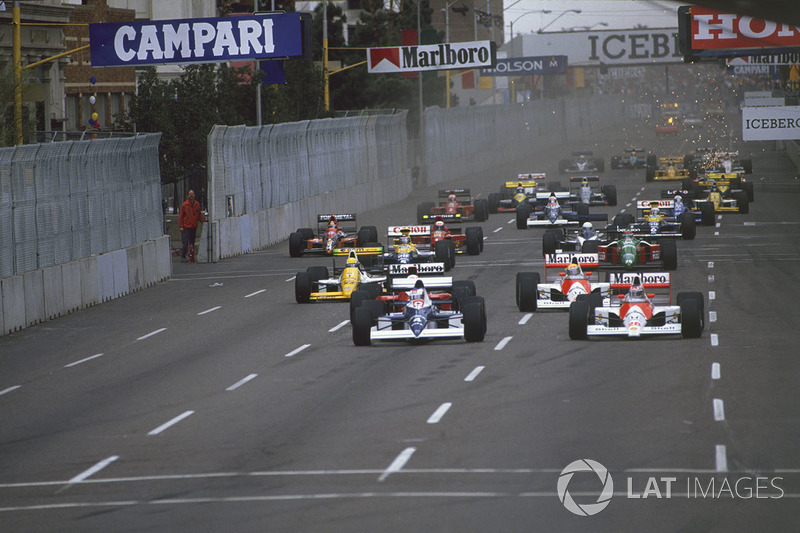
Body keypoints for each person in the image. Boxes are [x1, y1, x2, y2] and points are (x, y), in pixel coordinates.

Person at [178, 189, 205, 262]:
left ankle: (191, 256)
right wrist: (181, 226)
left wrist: (204, 221)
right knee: (185, 242)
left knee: (192, 242)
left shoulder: (197, 204)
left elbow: (198, 215)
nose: (191, 195)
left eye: (192, 194)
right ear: (187, 196)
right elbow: (181, 216)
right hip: (186, 227)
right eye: (190, 194)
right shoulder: (184, 205)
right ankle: (183, 256)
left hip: (194, 226)